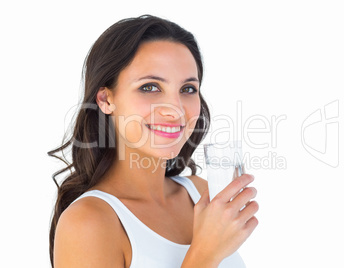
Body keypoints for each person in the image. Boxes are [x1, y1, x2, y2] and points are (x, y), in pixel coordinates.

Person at [48, 15, 259, 268]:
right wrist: (205, 254)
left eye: (188, 89)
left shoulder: (202, 194)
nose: (175, 109)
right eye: (150, 87)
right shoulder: (89, 222)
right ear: (105, 99)